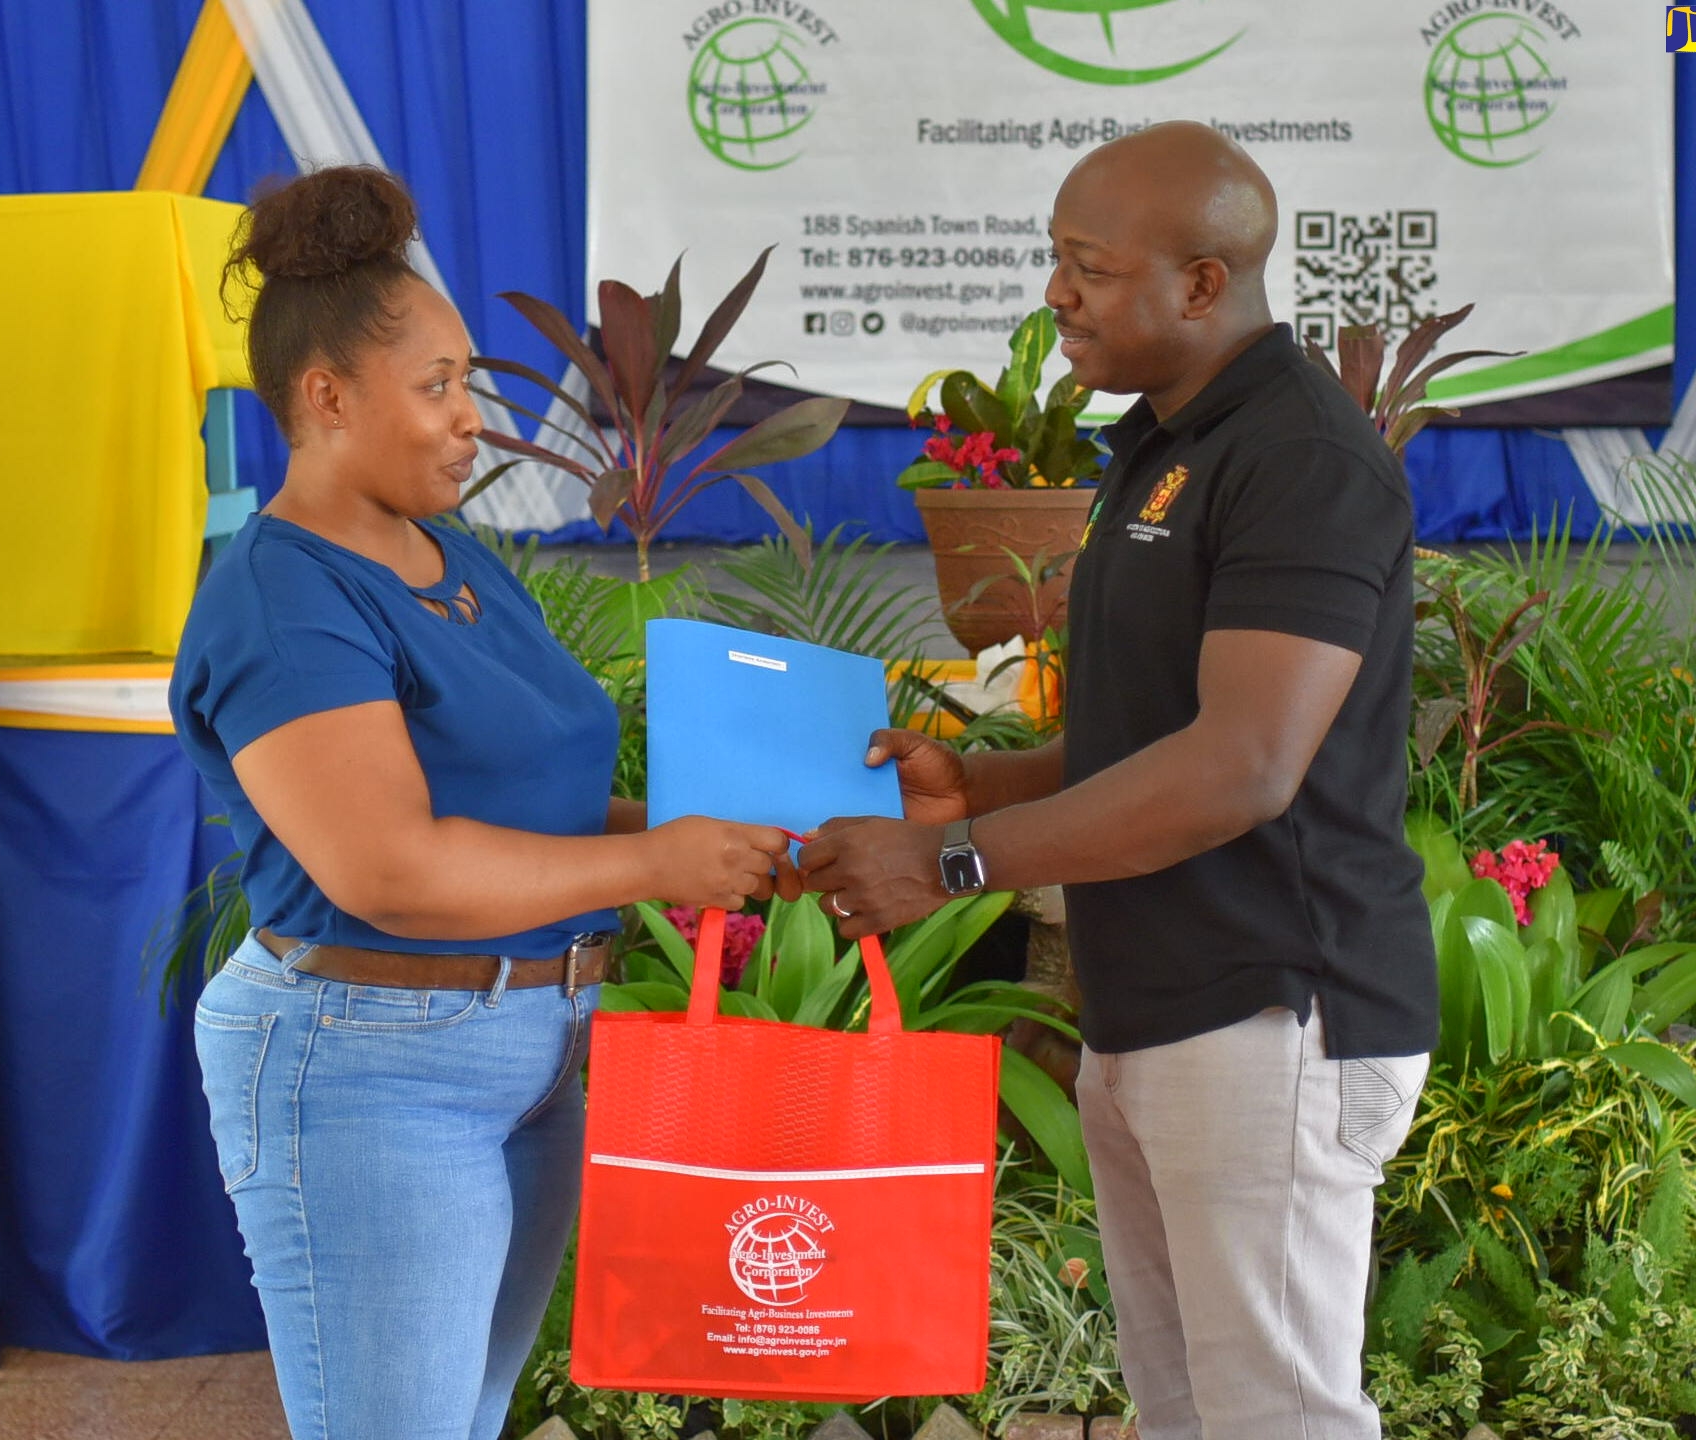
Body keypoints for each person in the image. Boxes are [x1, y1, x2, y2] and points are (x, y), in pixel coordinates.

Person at [798, 122, 1437, 1439]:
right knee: (1187, 1411)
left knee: (1276, 1418)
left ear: (1203, 284)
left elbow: (1242, 766)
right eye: (1055, 260)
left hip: (1275, 1012)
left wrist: (951, 866)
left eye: (1087, 266)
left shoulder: (1300, 457)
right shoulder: (1160, 442)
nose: (1056, 297)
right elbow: (1149, 734)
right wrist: (973, 785)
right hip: (1157, 1006)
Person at [170, 165, 795, 1440]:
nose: (474, 420)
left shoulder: (452, 557)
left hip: (530, 1050)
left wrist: (735, 839)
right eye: (438, 387)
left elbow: (546, 806)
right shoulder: (281, 595)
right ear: (325, 396)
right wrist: (654, 866)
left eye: (473, 384)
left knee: (463, 1420)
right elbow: (388, 868)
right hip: (366, 1066)